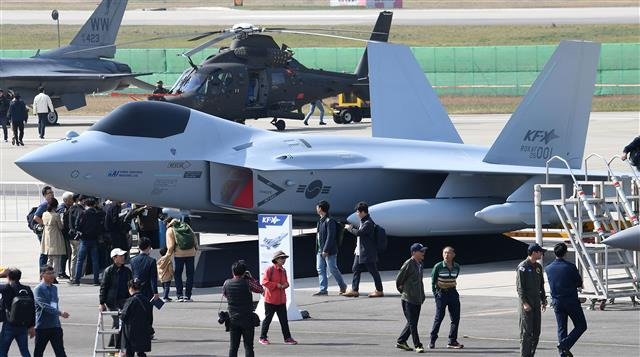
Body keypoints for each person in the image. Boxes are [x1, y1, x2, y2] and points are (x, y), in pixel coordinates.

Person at [545, 243, 587, 357]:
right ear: (565, 253)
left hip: (557, 302)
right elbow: (579, 282)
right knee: (581, 325)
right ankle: (564, 344)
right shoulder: (570, 266)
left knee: (562, 328)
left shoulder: (548, 268)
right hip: (570, 301)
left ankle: (562, 353)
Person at [222, 261, 264, 357]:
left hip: (233, 319)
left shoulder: (226, 283)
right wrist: (251, 277)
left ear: (233, 272)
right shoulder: (248, 282)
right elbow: (260, 289)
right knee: (249, 346)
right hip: (247, 318)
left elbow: (225, 295)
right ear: (244, 272)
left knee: (233, 347)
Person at [343, 201, 383, 298]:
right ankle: (354, 290)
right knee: (355, 269)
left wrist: (349, 228)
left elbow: (359, 233)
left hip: (367, 252)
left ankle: (379, 290)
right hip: (360, 251)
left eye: (357, 212)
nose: (357, 214)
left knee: (373, 271)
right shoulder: (364, 221)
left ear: (362, 212)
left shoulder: (368, 222)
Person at [259, 250, 297, 346]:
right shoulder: (270, 269)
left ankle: (287, 338)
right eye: (282, 258)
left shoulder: (284, 270)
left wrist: (286, 285)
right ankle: (263, 337)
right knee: (268, 319)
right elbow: (264, 282)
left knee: (284, 321)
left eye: (284, 258)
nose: (284, 260)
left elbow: (286, 282)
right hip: (270, 300)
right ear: (276, 259)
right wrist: (276, 285)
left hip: (281, 301)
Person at [395, 243, 428, 353]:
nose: (423, 253)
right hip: (408, 299)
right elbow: (399, 279)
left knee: (412, 322)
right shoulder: (409, 263)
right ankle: (418, 345)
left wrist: (422, 295)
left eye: (424, 250)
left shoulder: (420, 264)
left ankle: (401, 341)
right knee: (413, 323)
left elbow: (419, 282)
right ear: (414, 253)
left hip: (417, 299)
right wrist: (404, 292)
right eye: (421, 251)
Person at [517, 243, 548, 357]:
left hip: (536, 303)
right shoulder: (523, 267)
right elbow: (520, 288)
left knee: (536, 332)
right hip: (527, 304)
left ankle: (531, 354)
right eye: (540, 252)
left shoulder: (538, 267)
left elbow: (541, 285)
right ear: (534, 253)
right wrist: (524, 303)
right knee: (526, 333)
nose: (541, 254)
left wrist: (543, 300)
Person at [429, 246, 464, 349]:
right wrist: (436, 294)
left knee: (455, 318)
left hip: (453, 293)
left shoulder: (456, 266)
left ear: (453, 255)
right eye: (444, 253)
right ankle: (432, 339)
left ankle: (452, 341)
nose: (446, 255)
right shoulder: (438, 266)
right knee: (439, 317)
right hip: (441, 293)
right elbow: (433, 281)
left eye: (448, 253)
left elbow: (455, 277)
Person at [100, 248, 132, 351]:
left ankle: (117, 348)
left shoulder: (127, 270)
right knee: (118, 322)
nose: (123, 258)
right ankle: (114, 348)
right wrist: (101, 302)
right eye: (120, 256)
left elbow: (131, 285)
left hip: (125, 301)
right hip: (113, 302)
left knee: (121, 324)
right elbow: (103, 287)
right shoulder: (109, 271)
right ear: (114, 258)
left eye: (123, 256)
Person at [313, 200, 347, 296]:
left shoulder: (330, 221)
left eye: (317, 207)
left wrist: (326, 250)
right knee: (320, 269)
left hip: (329, 250)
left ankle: (342, 285)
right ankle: (323, 290)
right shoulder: (320, 220)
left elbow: (331, 236)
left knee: (332, 268)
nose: (316, 208)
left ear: (320, 208)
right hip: (319, 249)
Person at [33, 266, 69, 357]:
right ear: (42, 275)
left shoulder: (54, 288)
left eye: (53, 273)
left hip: (55, 326)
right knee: (38, 352)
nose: (52, 276)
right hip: (42, 327)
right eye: (49, 273)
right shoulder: (38, 289)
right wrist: (60, 313)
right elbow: (44, 306)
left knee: (60, 352)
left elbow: (54, 304)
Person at [0, 268, 36, 357]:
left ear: (8, 276)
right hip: (23, 325)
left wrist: (1, 274)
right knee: (24, 351)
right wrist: (31, 326)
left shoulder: (7, 288)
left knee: (2, 350)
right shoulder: (27, 289)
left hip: (9, 324)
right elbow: (32, 308)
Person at [130, 238, 159, 336]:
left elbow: (133, 275)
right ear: (149, 247)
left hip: (136, 289)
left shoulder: (133, 260)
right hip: (148, 290)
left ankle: (140, 330)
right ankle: (148, 331)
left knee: (138, 312)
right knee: (148, 312)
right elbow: (153, 279)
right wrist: (155, 292)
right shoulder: (151, 261)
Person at [72, 197, 103, 286]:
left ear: (85, 204)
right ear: (94, 205)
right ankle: (96, 280)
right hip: (94, 239)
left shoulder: (83, 213)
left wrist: (80, 232)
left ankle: (77, 279)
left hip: (84, 239)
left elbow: (77, 225)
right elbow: (100, 226)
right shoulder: (97, 214)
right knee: (95, 261)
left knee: (80, 260)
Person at [165, 218, 198, 302]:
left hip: (179, 254)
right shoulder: (186, 226)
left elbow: (171, 245)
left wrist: (167, 256)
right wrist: (195, 249)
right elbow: (194, 237)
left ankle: (179, 295)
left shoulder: (170, 230)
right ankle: (188, 296)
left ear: (169, 222)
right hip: (191, 253)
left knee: (178, 274)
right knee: (190, 274)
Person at [120, 279, 152, 357]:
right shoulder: (146, 300)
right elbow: (150, 317)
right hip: (143, 330)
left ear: (131, 288)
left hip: (131, 332)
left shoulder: (130, 300)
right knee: (141, 352)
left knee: (130, 353)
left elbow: (123, 316)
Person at [42, 199, 66, 278]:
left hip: (47, 237)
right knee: (56, 259)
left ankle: (47, 275)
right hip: (55, 236)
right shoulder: (56, 215)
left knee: (49, 259)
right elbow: (61, 226)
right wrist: (62, 221)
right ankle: (54, 276)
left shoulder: (44, 214)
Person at [33, 186, 54, 268]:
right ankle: (42, 272)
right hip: (42, 232)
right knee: (44, 252)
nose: (52, 194)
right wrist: (46, 225)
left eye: (52, 193)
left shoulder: (51, 203)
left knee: (47, 252)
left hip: (47, 232)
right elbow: (36, 217)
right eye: (49, 193)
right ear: (45, 195)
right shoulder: (44, 204)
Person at [66, 195, 84, 282]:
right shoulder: (80, 210)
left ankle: (72, 275)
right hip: (78, 236)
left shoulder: (70, 209)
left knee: (73, 257)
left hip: (71, 236)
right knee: (81, 257)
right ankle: (79, 275)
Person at [56, 192, 74, 280]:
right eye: (71, 199)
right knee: (65, 254)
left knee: (66, 254)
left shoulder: (67, 207)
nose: (73, 201)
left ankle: (61, 271)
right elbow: (62, 222)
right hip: (64, 235)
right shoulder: (62, 209)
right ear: (67, 200)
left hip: (65, 234)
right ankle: (61, 272)